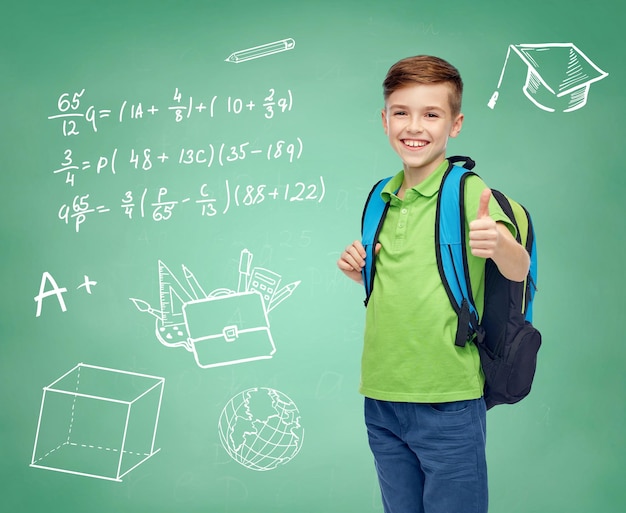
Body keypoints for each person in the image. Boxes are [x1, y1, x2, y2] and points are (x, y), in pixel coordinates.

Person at [336, 55, 530, 513]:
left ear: (455, 124)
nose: (413, 126)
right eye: (401, 112)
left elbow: (518, 268)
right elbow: (401, 281)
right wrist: (356, 271)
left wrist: (498, 242)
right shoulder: (380, 196)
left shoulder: (467, 192)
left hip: (448, 400)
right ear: (384, 120)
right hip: (381, 396)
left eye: (431, 114)